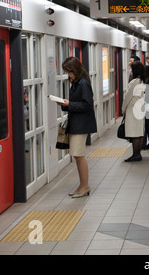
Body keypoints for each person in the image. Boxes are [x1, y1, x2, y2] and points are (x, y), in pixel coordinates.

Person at [58, 57, 97, 198]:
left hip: (81, 125)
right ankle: (82, 185)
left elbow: (87, 105)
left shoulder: (83, 84)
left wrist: (69, 104)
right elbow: (76, 103)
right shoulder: (76, 83)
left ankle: (85, 186)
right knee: (77, 155)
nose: (68, 75)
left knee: (79, 155)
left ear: (75, 69)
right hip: (76, 123)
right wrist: (65, 105)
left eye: (69, 71)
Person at [122, 61, 146, 162]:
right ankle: (138, 154)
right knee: (139, 132)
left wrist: (123, 109)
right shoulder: (142, 81)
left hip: (133, 110)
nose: (130, 71)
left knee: (134, 133)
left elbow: (128, 97)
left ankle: (135, 154)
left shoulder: (135, 82)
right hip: (140, 109)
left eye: (131, 69)